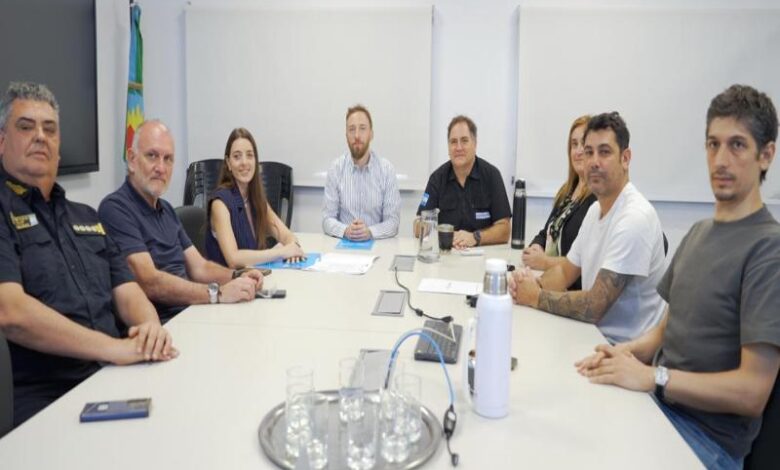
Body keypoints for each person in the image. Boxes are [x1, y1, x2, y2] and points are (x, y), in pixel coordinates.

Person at [575, 85, 780, 470]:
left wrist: (653, 377)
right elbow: (664, 332)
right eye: (713, 144)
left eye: (737, 145)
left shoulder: (768, 250)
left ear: (766, 154)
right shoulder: (699, 233)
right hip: (659, 408)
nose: (721, 160)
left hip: (705, 442)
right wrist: (622, 354)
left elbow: (753, 392)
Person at [0, 82, 177, 426]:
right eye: (26, 126)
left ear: (59, 148)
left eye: (50, 129)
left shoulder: (87, 217)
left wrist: (150, 329)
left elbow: (128, 292)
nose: (40, 136)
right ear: (2, 141)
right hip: (49, 398)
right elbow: (11, 311)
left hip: (114, 375)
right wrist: (113, 348)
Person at [509, 112, 666, 344]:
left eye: (604, 152)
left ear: (625, 158)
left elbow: (594, 306)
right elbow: (565, 272)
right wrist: (531, 285)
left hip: (624, 350)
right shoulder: (594, 211)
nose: (593, 162)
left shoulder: (634, 218)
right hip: (592, 335)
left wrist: (536, 297)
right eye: (589, 151)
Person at [98, 120, 263, 323]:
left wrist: (238, 276)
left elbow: (200, 267)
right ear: (132, 159)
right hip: (162, 326)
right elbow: (149, 281)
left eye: (168, 159)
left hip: (191, 312)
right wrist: (217, 293)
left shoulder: (166, 210)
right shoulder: (115, 209)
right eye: (152, 156)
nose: (161, 167)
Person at [205, 127, 304, 267]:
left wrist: (293, 246)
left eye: (249, 155)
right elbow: (233, 258)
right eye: (237, 156)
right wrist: (280, 252)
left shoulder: (256, 198)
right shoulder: (220, 204)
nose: (244, 162)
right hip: (227, 279)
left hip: (253, 276)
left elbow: (286, 235)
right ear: (228, 163)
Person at [523, 115, 596, 290]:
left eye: (583, 144)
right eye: (574, 144)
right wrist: (536, 248)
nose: (578, 151)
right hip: (549, 280)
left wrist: (544, 262)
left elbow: (583, 262)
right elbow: (546, 232)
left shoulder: (597, 200)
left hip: (572, 290)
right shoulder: (566, 191)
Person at [416, 115, 511, 248]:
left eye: (464, 141)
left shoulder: (492, 175)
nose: (458, 147)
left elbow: (504, 230)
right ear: (448, 146)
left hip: (483, 253)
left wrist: (475, 237)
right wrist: (443, 233)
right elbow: (418, 225)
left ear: (475, 144)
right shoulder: (437, 178)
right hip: (447, 252)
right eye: (453, 142)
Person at [322, 104, 401, 240]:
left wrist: (370, 232)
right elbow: (327, 219)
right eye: (352, 129)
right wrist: (346, 230)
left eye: (362, 128)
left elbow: (393, 222)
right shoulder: (336, 169)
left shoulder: (387, 170)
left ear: (371, 134)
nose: (357, 135)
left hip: (377, 246)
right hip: (343, 246)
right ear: (346, 135)